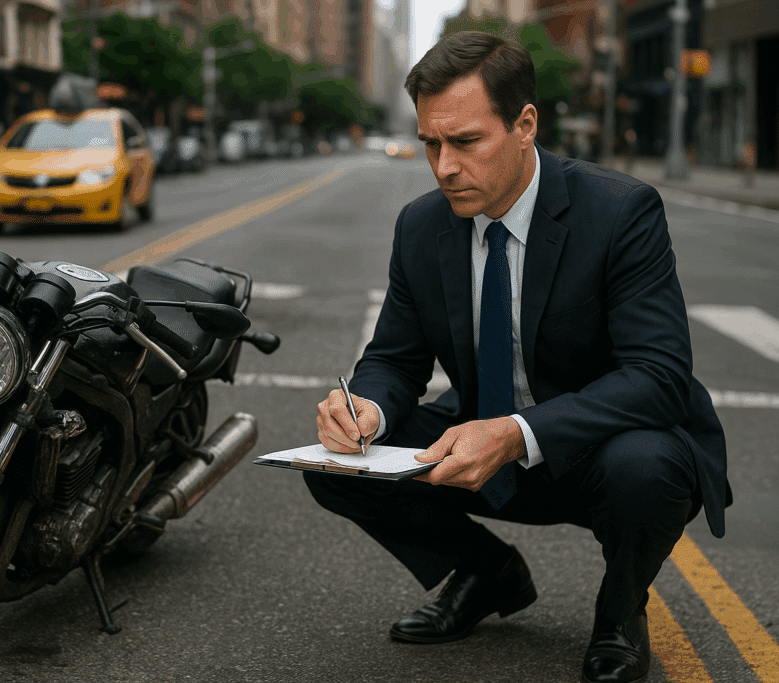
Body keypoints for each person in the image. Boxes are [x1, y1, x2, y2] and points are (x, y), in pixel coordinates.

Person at [306, 31, 729, 683]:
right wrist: (366, 409)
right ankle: (486, 571)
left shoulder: (620, 212)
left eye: (465, 141)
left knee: (648, 466)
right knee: (335, 463)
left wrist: (514, 432)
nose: (444, 166)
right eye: (431, 143)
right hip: (479, 446)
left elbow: (659, 376)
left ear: (525, 125)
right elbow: (394, 358)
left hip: (600, 451)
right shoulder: (421, 225)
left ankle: (620, 612)